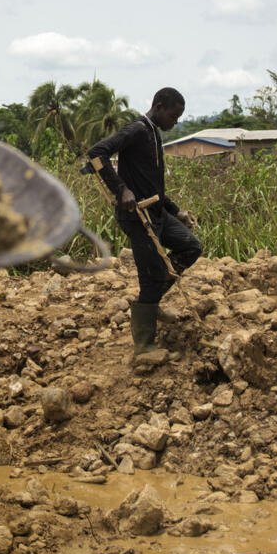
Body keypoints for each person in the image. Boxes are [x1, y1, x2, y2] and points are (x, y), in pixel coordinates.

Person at [85, 87, 202, 356]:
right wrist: (121, 190)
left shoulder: (154, 133)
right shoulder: (137, 129)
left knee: (191, 246)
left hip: (157, 211)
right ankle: (144, 345)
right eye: (173, 116)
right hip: (137, 216)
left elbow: (152, 185)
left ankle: (152, 301)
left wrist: (176, 210)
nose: (175, 122)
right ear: (159, 107)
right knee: (150, 276)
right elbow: (96, 153)